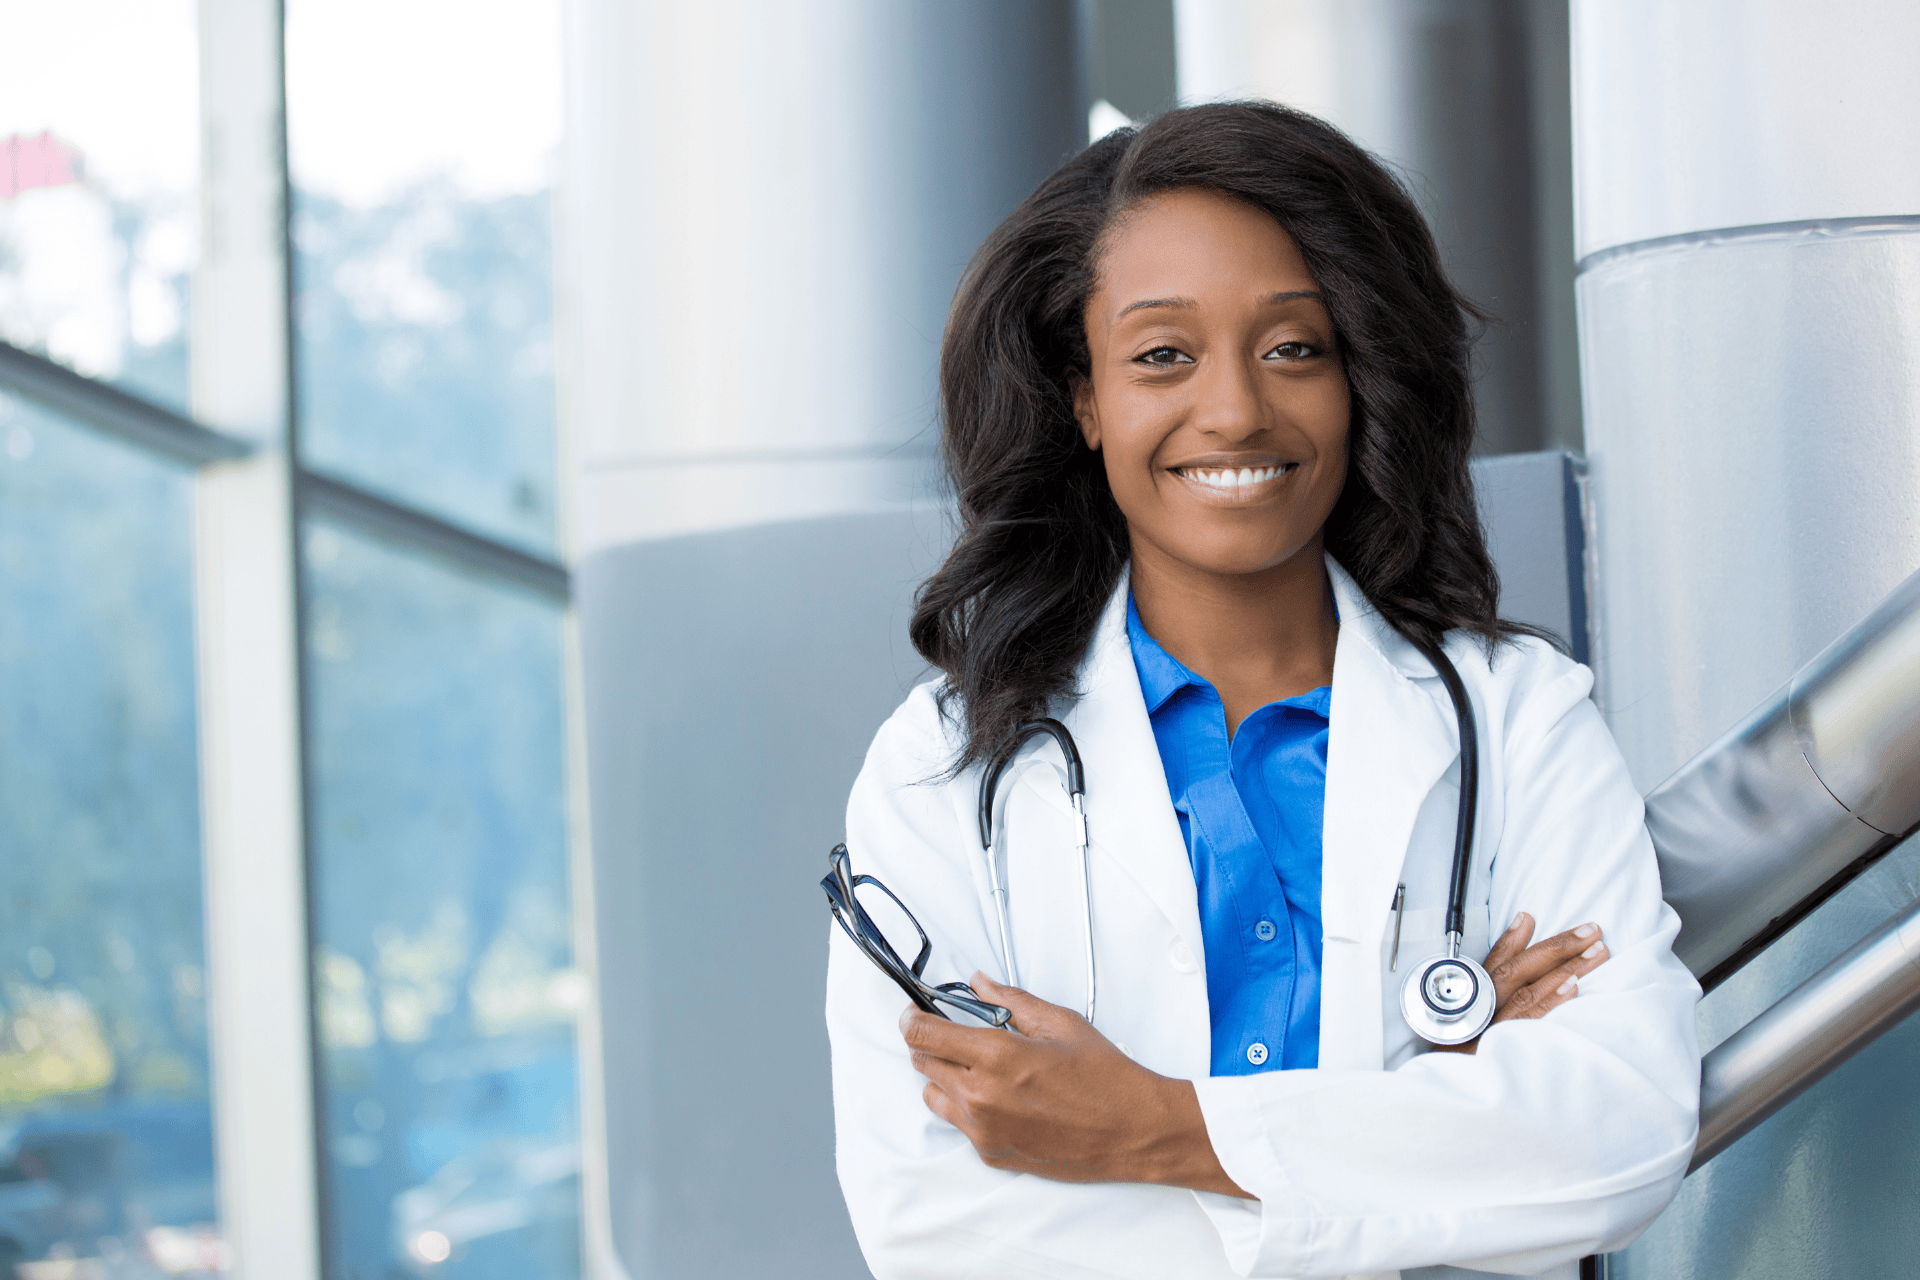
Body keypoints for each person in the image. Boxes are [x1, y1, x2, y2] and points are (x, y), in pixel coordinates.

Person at [824, 102, 1699, 1280]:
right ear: (1084, 399)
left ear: (1361, 377)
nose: (1235, 409)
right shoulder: (944, 767)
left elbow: (1620, 1128)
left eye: (1295, 347)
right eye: (1161, 356)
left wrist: (1150, 1128)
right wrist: (1420, 1114)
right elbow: (939, 1228)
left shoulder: (1518, 718)